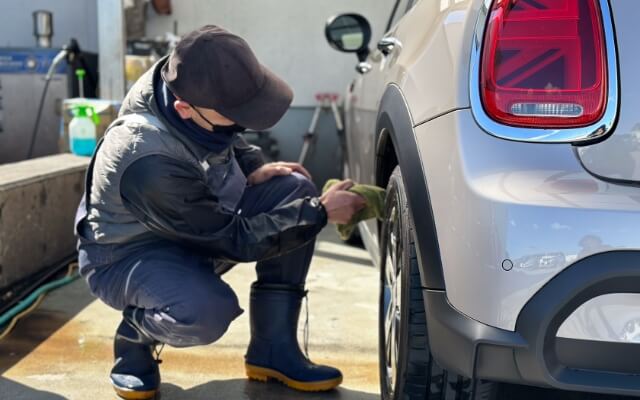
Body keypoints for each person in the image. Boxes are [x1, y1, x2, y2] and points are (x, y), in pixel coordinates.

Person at [74, 25, 365, 400]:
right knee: (206, 311)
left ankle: (273, 351)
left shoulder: (184, 80)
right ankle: (136, 333)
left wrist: (252, 165)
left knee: (293, 189)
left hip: (188, 222)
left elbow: (226, 136)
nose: (243, 123)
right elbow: (230, 238)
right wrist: (319, 215)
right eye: (236, 116)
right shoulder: (146, 158)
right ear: (184, 108)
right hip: (126, 255)